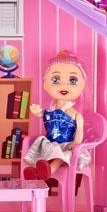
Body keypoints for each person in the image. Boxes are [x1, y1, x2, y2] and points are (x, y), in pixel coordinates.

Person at [22, 50, 91, 183]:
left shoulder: (76, 115)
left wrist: (75, 143)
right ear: (45, 84)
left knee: (61, 156)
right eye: (55, 80)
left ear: (82, 85)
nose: (64, 85)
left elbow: (79, 132)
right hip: (51, 143)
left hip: (67, 147)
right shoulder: (51, 109)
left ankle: (48, 170)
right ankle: (36, 172)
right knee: (44, 150)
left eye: (73, 80)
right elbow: (46, 117)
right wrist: (39, 113)